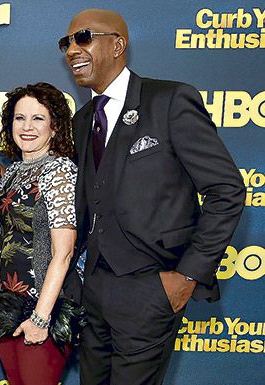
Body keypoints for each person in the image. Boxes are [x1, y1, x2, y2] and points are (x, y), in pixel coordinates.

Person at [60, 9, 246, 384]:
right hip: (93, 291)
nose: (71, 50)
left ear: (117, 45)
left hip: (150, 288)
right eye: (65, 43)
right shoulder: (82, 121)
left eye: (83, 37)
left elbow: (226, 190)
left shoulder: (170, 100)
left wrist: (187, 276)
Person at [0, 82, 84, 385]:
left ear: (55, 127)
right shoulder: (13, 172)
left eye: (38, 119)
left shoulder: (59, 171)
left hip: (46, 306)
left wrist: (41, 318)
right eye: (20, 118)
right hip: (9, 305)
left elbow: (64, 253)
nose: (27, 127)